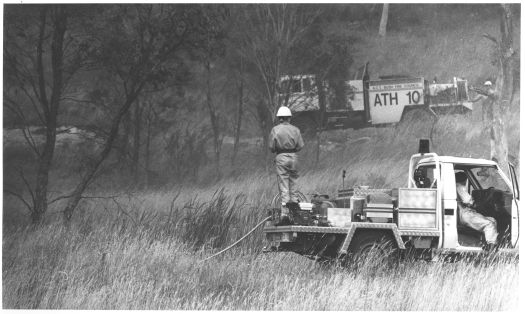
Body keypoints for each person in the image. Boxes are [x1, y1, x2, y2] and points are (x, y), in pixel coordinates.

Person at [269, 106, 304, 224]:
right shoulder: (296, 129)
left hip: (281, 157)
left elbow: (271, 147)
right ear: (289, 118)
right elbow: (300, 146)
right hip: (294, 157)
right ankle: (295, 214)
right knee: (294, 182)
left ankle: (285, 215)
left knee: (283, 184)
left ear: (280, 118)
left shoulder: (275, 130)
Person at [455, 171, 498, 251]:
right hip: (466, 214)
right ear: (464, 180)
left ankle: (487, 242)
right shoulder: (459, 186)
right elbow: (469, 201)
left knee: (493, 220)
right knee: (489, 224)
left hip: (464, 213)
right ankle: (491, 249)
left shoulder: (455, 186)